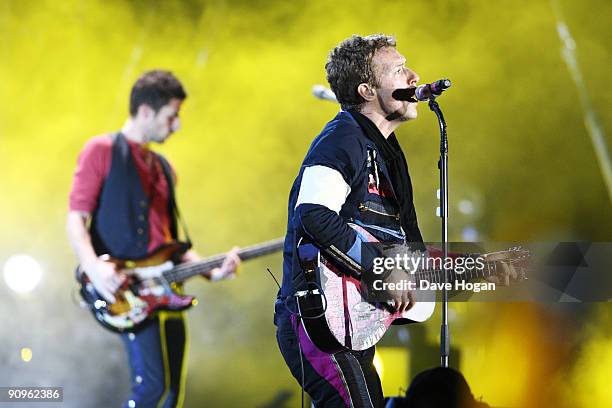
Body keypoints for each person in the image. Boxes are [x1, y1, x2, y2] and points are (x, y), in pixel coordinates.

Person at [66, 70, 240, 408]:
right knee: (150, 390)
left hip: (168, 292)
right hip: (127, 291)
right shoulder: (101, 150)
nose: (176, 125)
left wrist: (210, 270)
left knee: (173, 394)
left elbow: (170, 245)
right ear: (146, 111)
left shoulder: (164, 167)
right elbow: (75, 218)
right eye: (171, 116)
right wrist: (94, 267)